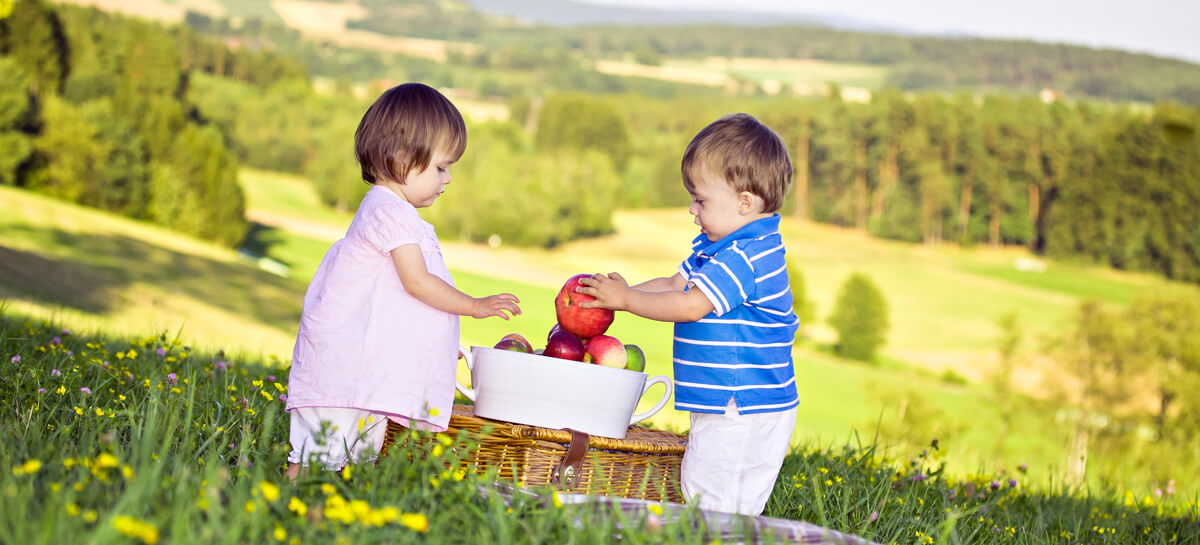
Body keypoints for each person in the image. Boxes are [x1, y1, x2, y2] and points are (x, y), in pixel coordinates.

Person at [284, 83, 521, 479]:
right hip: (343, 371)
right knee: (317, 456)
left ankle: (321, 521)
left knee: (351, 460)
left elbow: (393, 304)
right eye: (441, 167)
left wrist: (434, 344)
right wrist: (474, 306)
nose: (447, 180)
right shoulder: (387, 210)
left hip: (362, 374)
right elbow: (418, 283)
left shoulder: (397, 214)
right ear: (400, 158)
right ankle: (279, 513)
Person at [577, 113, 799, 515]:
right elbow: (673, 284)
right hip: (726, 403)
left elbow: (691, 305)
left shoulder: (747, 254)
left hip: (743, 407)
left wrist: (627, 299)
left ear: (744, 202)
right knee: (703, 488)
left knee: (715, 502)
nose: (692, 210)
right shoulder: (718, 247)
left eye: (700, 199)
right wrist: (614, 298)